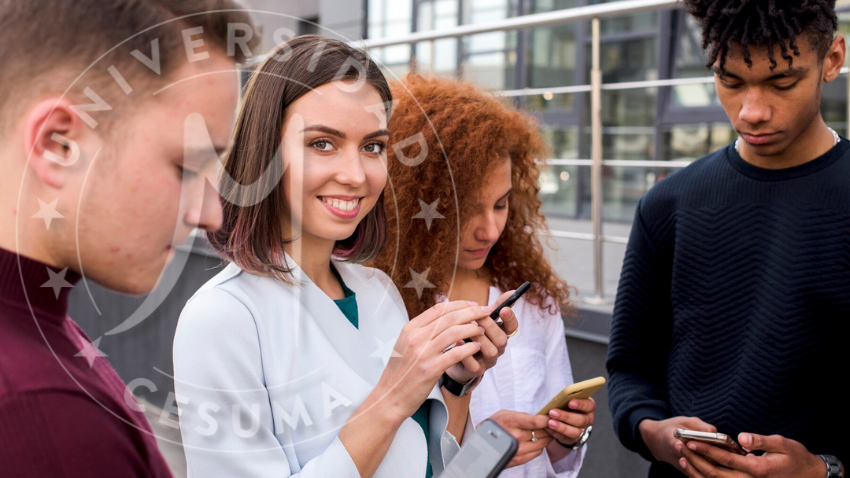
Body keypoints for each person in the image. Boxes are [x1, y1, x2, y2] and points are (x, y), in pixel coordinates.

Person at [172, 36, 518, 478]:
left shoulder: (378, 291)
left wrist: (457, 382)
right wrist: (395, 393)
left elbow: (427, 465)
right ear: (266, 154)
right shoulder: (222, 318)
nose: (356, 175)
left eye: (372, 147)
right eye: (322, 143)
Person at [0, 0, 258, 476]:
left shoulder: (40, 338)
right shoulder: (47, 419)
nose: (210, 214)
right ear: (59, 144)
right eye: (186, 166)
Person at [606, 1, 848, 477]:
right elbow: (631, 367)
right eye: (730, 81)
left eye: (783, 82)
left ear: (833, 60)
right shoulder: (667, 204)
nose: (752, 112)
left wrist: (823, 470)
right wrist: (652, 432)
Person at [371, 74, 595, 478]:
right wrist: (482, 454)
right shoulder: (386, 307)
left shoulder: (532, 301)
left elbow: (556, 461)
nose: (490, 230)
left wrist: (567, 436)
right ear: (417, 203)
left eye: (501, 204)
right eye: (469, 209)